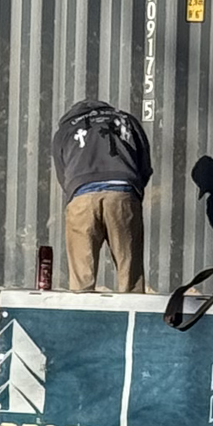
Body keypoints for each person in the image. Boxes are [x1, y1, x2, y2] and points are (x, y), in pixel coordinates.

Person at [52, 95, 152, 293]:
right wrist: (132, 192)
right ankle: (134, 317)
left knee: (81, 279)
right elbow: (145, 165)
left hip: (81, 195)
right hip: (122, 192)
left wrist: (78, 193)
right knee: (129, 273)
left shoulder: (65, 130)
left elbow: (62, 173)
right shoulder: (126, 120)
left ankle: (83, 319)